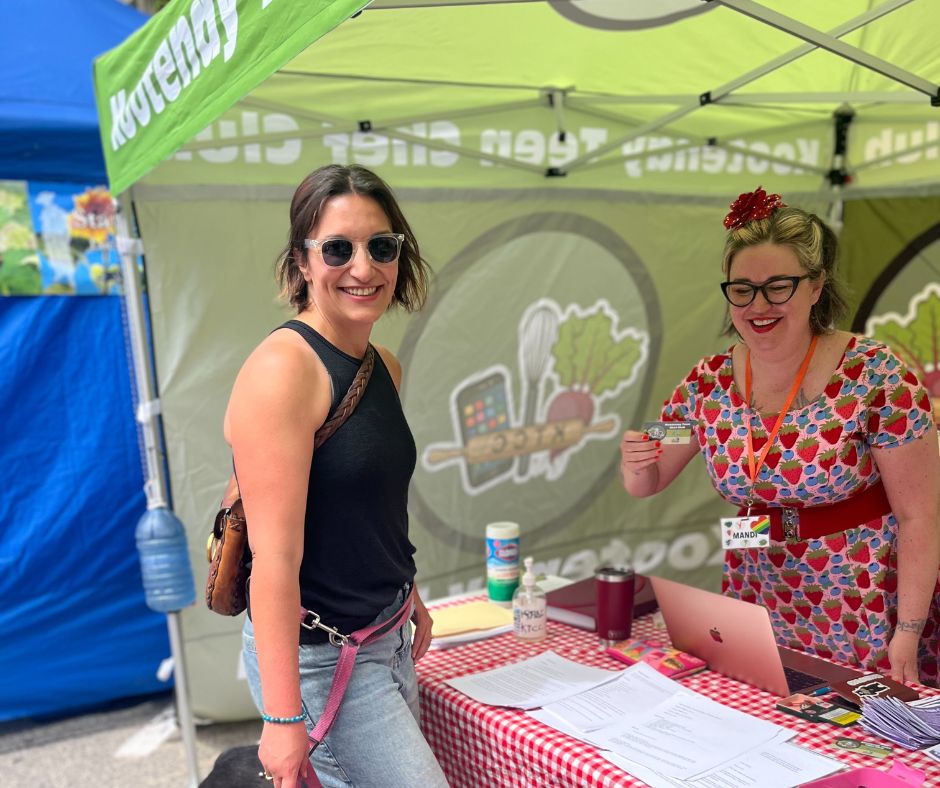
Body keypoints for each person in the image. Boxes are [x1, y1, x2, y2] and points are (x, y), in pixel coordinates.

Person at [620, 187, 940, 687]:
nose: (758, 305)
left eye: (778, 286)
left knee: (859, 742)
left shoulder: (876, 374)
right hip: (757, 591)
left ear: (816, 286)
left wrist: (909, 629)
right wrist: (636, 461)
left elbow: (918, 514)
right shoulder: (708, 382)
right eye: (742, 289)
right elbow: (653, 472)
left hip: (862, 597)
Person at [224, 164, 448, 788]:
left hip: (389, 635)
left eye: (382, 247)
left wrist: (409, 594)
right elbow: (273, 559)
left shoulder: (385, 367)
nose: (363, 267)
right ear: (302, 261)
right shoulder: (284, 371)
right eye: (338, 249)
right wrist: (282, 715)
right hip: (321, 662)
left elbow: (367, 510)